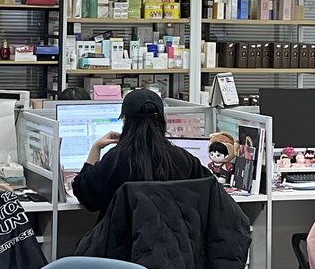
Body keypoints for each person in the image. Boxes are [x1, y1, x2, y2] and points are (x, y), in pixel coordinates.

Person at [71, 88, 211, 214]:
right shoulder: (183, 159)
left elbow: (87, 197)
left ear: (126, 121)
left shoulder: (116, 160)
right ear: (163, 121)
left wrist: (95, 148)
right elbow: (209, 190)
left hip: (124, 235)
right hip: (176, 234)